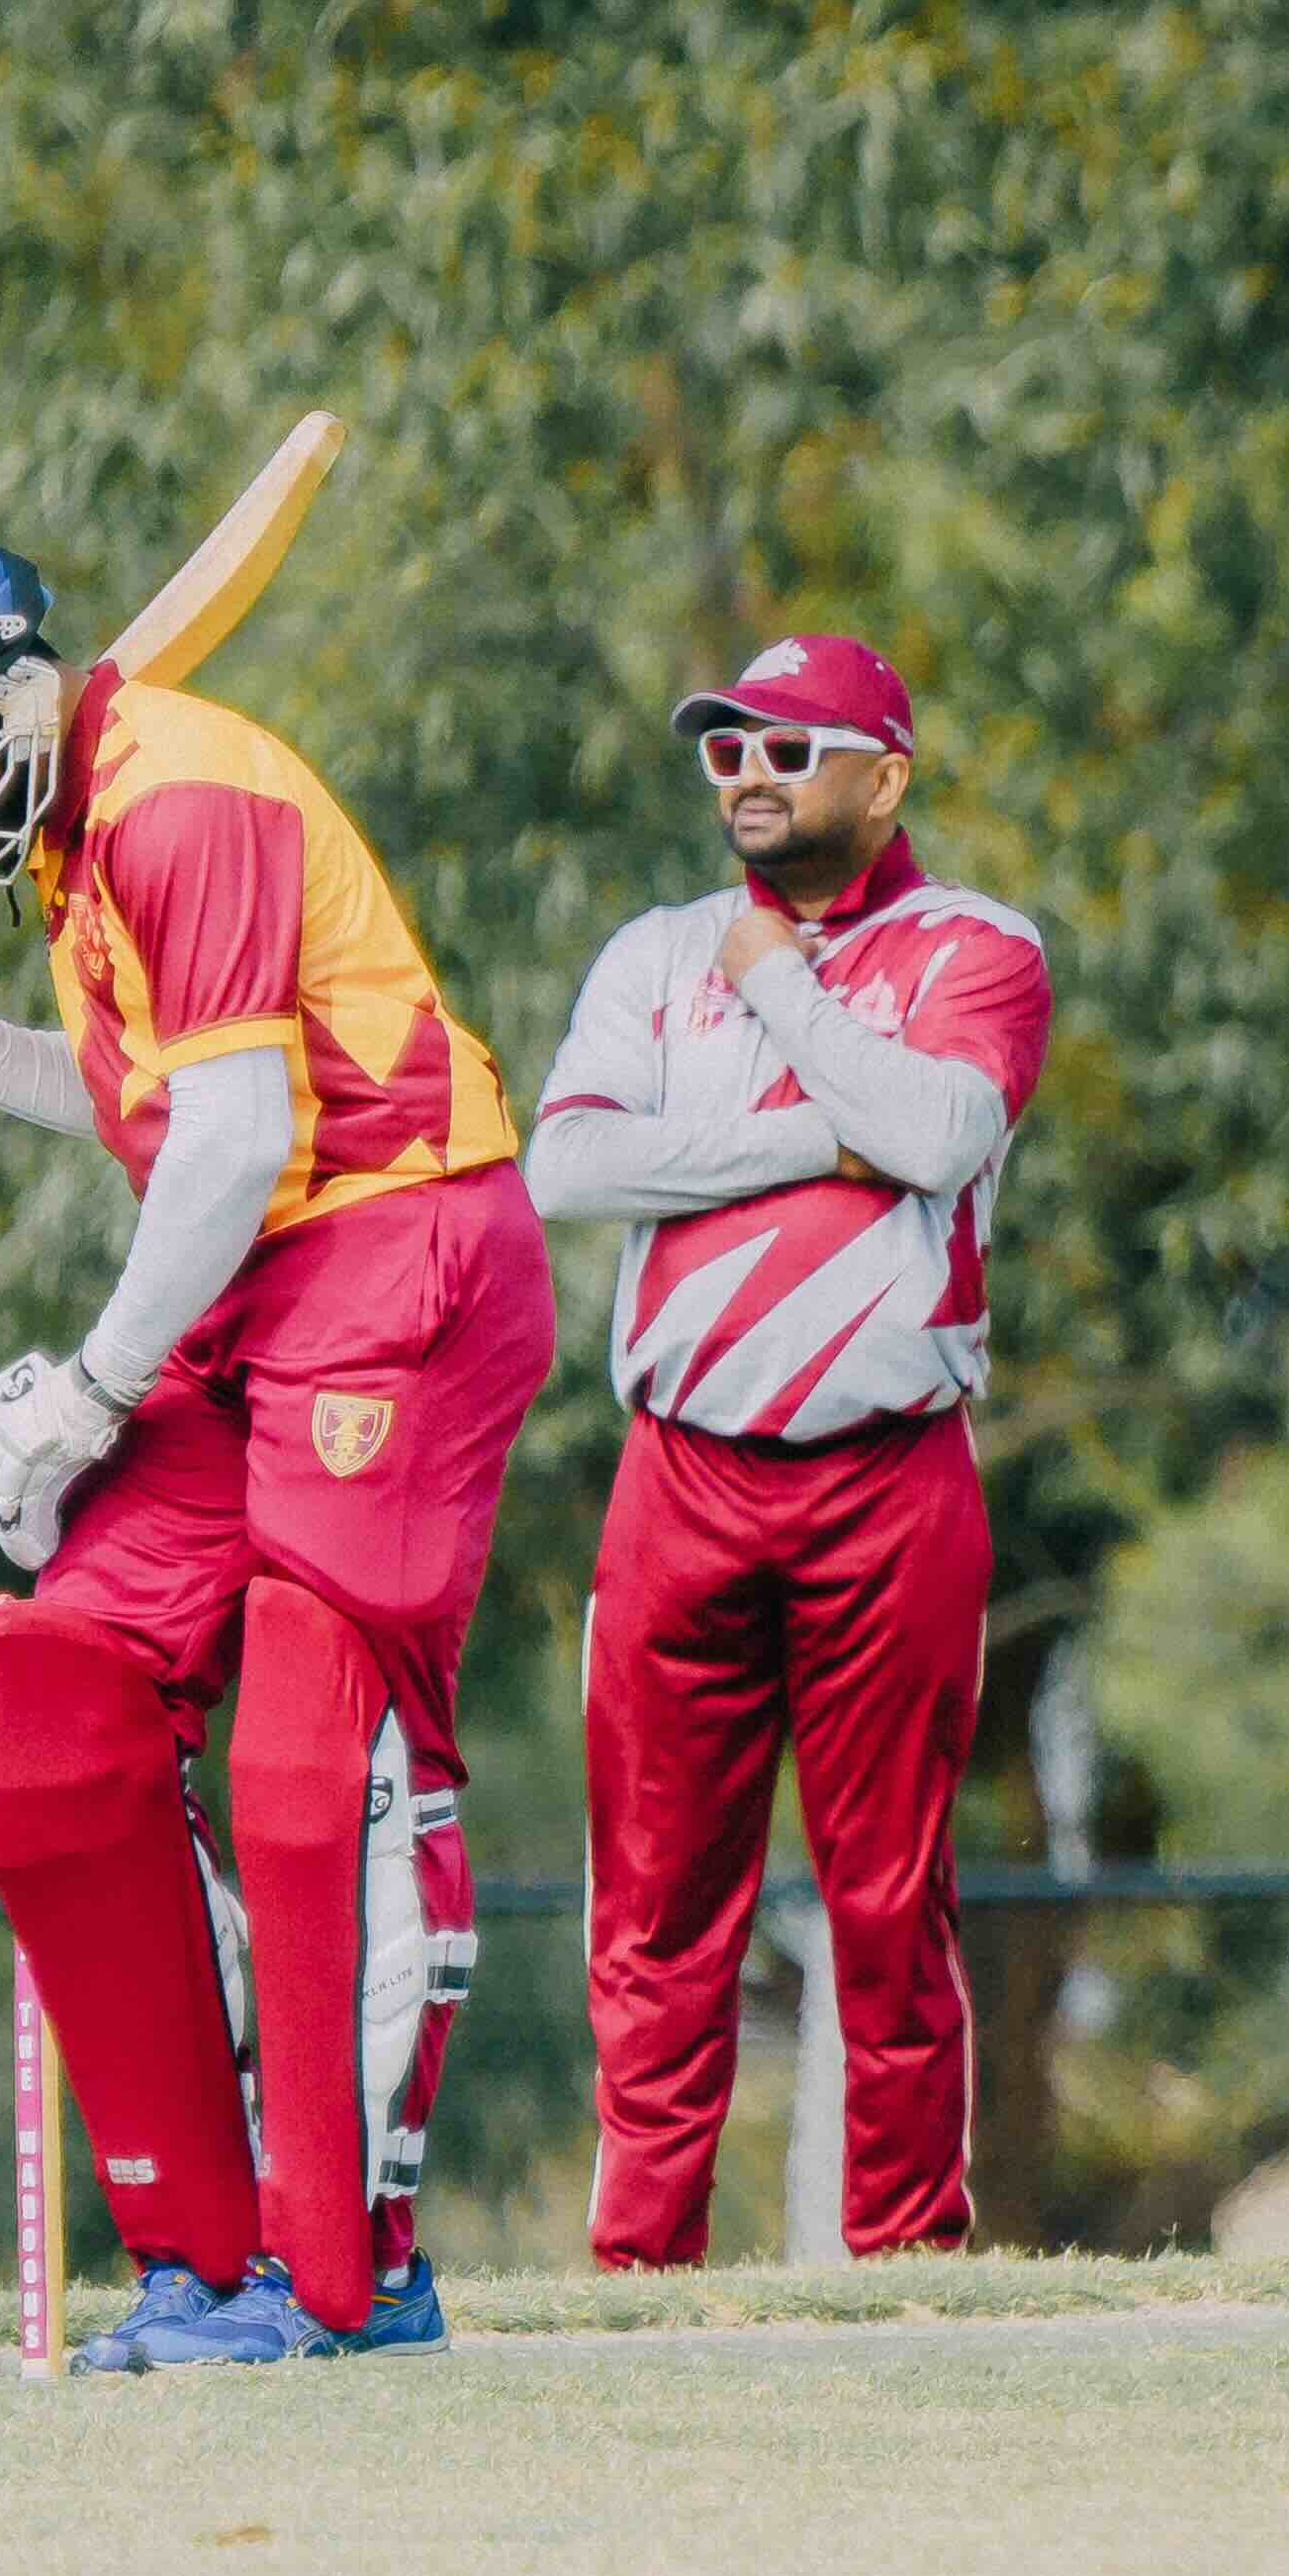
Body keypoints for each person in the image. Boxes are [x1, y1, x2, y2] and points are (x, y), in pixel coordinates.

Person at [0, 527, 547, 2366]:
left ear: (10, 699)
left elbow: (233, 1142)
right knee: (50, 1705)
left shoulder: (180, 800)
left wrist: (88, 1390)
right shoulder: (77, 846)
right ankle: (203, 2258)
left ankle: (348, 2273)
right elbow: (141, 1107)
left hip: (399, 1248)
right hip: (254, 1284)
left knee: (312, 1747)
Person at [525, 636, 1050, 2266]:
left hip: (889, 1478)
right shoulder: (654, 950)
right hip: (680, 1475)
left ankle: (905, 2264)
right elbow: (567, 1166)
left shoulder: (979, 946)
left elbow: (938, 1134)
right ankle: (640, 2268)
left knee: (890, 1901)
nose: (749, 776)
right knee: (657, 1903)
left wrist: (777, 986)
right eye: (726, 750)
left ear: (886, 779)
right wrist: (815, 1133)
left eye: (787, 748)